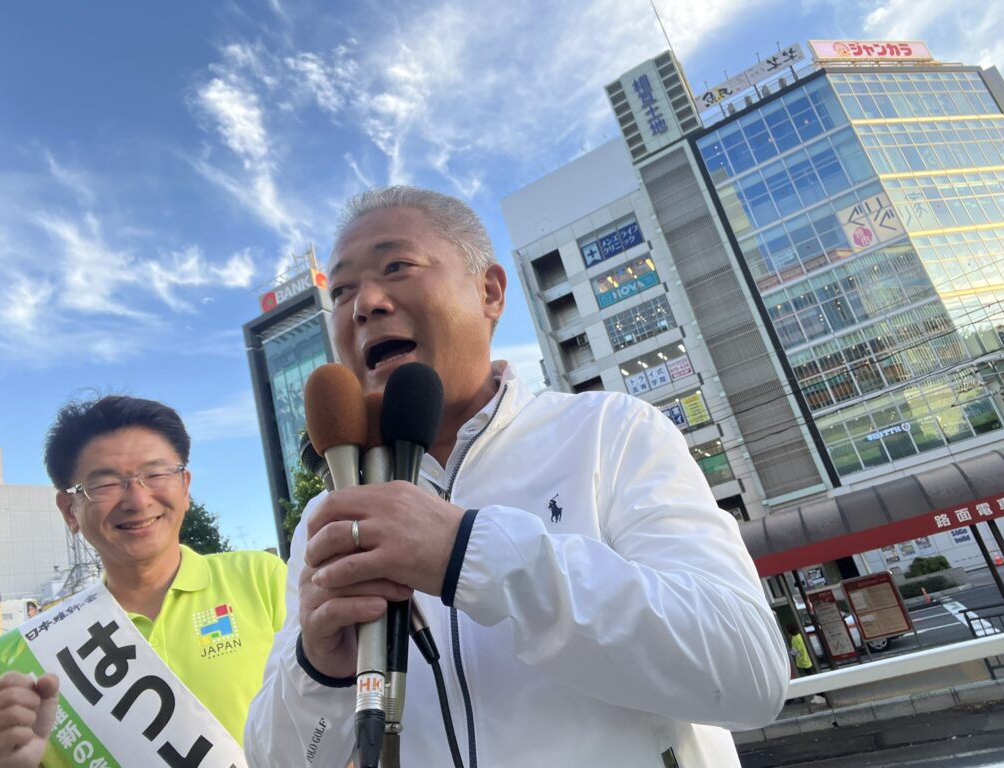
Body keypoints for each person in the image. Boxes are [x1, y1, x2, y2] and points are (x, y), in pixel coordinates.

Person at [245, 187, 789, 767]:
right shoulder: (331, 516)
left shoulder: (611, 431)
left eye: (396, 266)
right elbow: (280, 759)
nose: (364, 304)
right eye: (344, 289)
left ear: (489, 292)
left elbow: (749, 671)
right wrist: (317, 666)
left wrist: (469, 553)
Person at [0, 396, 286, 768]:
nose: (138, 500)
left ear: (185, 486)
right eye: (106, 483)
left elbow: (334, 724)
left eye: (156, 474)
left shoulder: (263, 579)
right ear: (69, 510)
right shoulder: (24, 658)